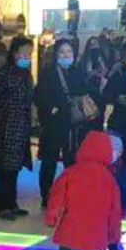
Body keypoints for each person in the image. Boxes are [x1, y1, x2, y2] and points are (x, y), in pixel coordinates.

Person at [46, 131, 123, 250]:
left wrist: (52, 218)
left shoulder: (71, 172)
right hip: (96, 235)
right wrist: (114, 235)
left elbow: (56, 197)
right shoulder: (109, 179)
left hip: (71, 230)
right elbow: (115, 211)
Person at [0, 35, 35, 220]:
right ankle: (3, 206)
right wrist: (3, 113)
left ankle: (12, 203)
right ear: (14, 53)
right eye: (23, 53)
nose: (26, 57)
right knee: (5, 168)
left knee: (14, 168)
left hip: (21, 127)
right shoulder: (4, 74)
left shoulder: (26, 74)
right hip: (5, 128)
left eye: (29, 54)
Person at [35, 38, 86, 207]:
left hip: (72, 125)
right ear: (56, 54)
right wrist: (52, 109)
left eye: (69, 51)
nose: (66, 55)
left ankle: (70, 193)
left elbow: (84, 91)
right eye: (62, 52)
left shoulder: (77, 72)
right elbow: (40, 97)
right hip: (54, 124)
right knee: (49, 161)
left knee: (71, 160)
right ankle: (47, 195)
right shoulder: (48, 74)